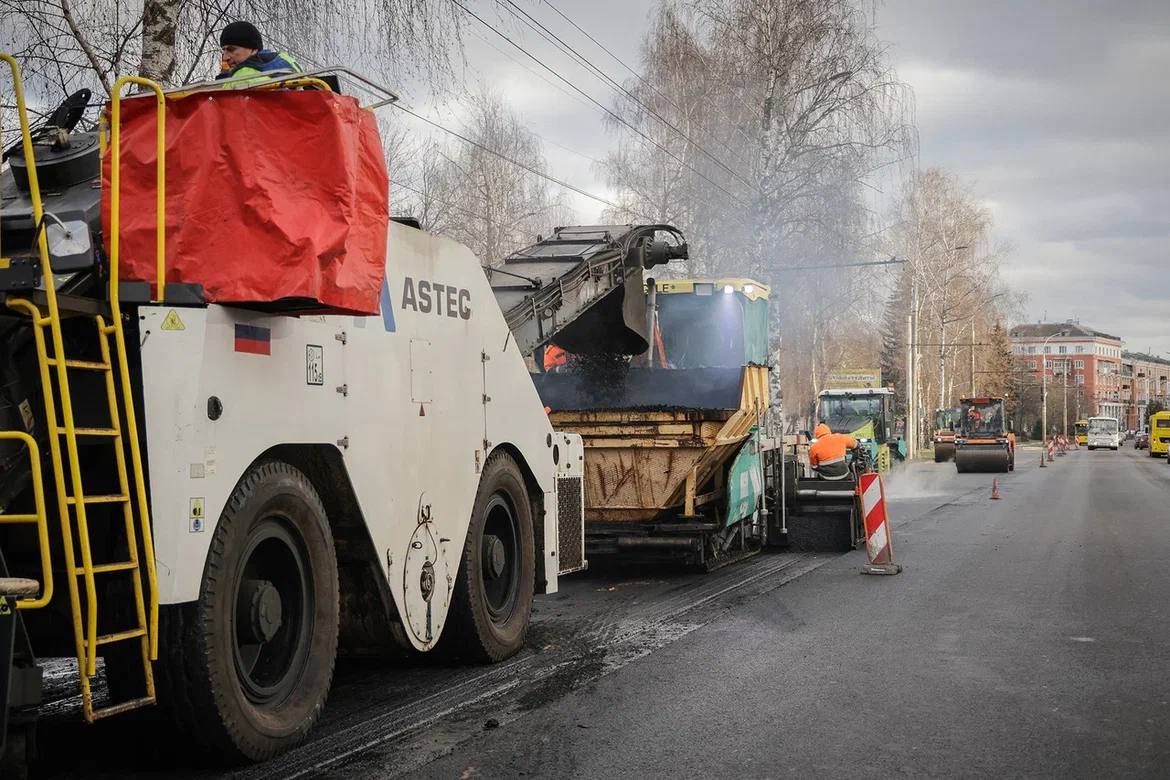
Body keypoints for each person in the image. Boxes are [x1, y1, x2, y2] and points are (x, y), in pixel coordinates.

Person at [216, 21, 302, 84]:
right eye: (224, 50)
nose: (225, 57)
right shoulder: (286, 61)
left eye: (231, 49)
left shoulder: (243, 75)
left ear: (253, 49)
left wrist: (223, 81)